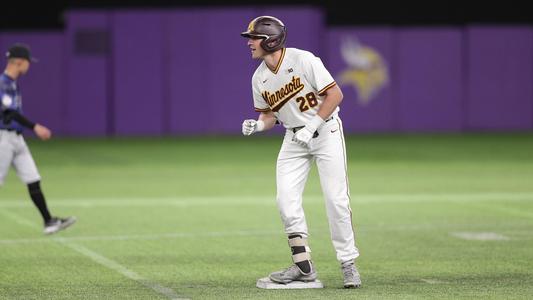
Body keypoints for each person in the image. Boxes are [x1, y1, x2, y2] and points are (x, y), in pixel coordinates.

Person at [240, 16, 362, 288]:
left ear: (270, 39)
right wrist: (259, 125)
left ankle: (348, 264)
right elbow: (269, 115)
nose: (249, 43)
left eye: (253, 37)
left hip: (326, 131)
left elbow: (335, 95)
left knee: (336, 200)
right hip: (293, 138)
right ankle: (303, 266)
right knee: (285, 200)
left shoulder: (304, 59)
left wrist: (313, 124)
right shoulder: (259, 77)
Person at [0, 43, 76, 235]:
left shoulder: (13, 83)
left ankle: (49, 221)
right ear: (19, 62)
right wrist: (35, 126)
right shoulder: (3, 83)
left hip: (16, 139)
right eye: (27, 62)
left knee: (33, 179)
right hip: (3, 139)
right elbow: (9, 112)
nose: (29, 65)